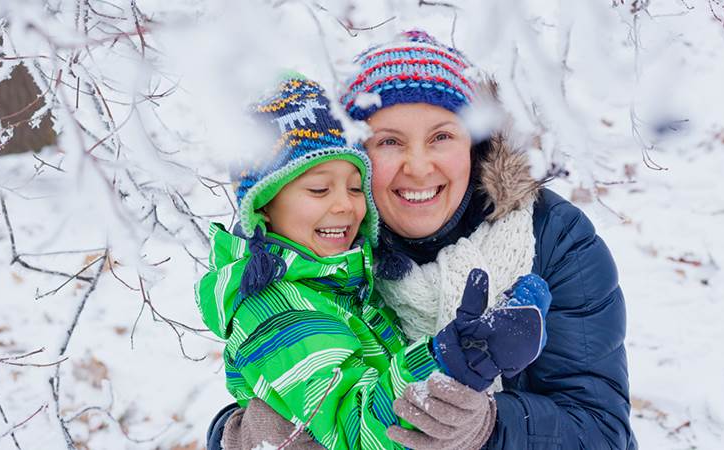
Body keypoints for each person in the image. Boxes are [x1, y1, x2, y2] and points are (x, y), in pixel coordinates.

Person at [208, 31, 636, 450]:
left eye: (442, 137)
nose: (418, 166)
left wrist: (486, 429)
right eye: (389, 141)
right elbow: (309, 389)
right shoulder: (322, 255)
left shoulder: (553, 238)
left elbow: (601, 432)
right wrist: (235, 436)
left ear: (475, 144)